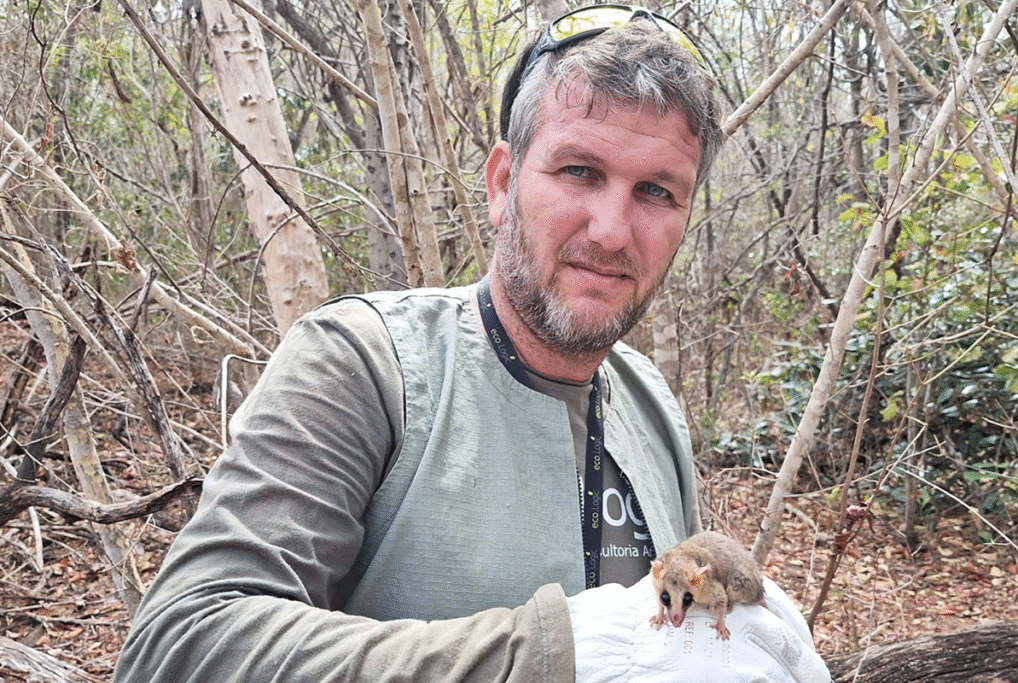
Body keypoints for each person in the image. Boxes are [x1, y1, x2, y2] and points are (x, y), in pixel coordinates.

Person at [114, 6, 830, 682]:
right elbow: (180, 645)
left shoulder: (651, 402)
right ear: (501, 183)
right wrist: (552, 652)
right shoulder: (363, 363)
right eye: (579, 171)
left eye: (656, 191)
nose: (613, 231)